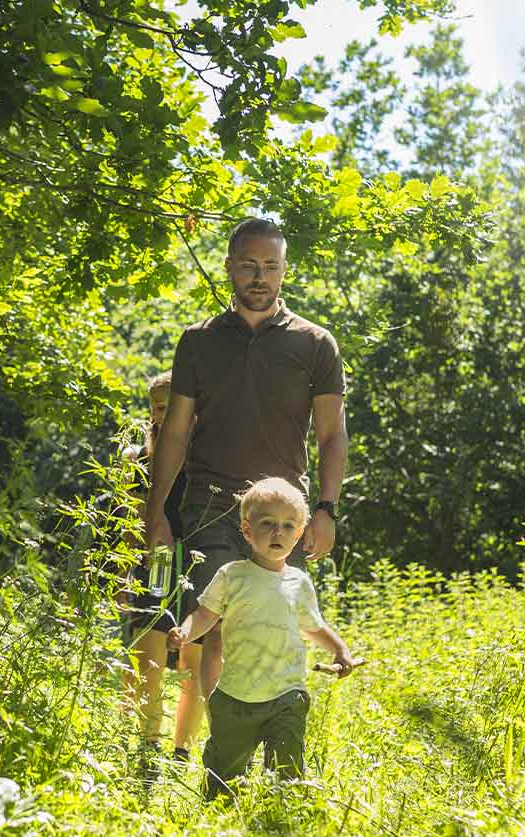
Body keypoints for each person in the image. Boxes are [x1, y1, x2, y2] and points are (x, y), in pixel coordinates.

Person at [145, 217, 347, 703]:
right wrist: (155, 514)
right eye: (250, 265)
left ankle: (269, 741)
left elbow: (332, 434)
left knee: (275, 628)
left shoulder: (315, 344)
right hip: (210, 506)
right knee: (216, 627)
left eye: (271, 266)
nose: (260, 276)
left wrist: (325, 508)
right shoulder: (199, 341)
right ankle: (223, 747)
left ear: (283, 272)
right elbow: (173, 434)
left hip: (282, 511)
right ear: (230, 267)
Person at [167, 477, 357, 798]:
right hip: (236, 696)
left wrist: (340, 649)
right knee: (224, 779)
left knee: (287, 771)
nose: (277, 533)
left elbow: (313, 626)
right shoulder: (231, 575)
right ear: (246, 530)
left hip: (286, 694)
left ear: (299, 534)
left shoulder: (299, 583)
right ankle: (218, 814)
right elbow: (205, 615)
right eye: (267, 523)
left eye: (287, 526)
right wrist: (185, 632)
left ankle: (279, 816)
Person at [120, 374, 206, 771]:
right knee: (149, 649)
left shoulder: (209, 456)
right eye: (157, 405)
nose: (165, 413)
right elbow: (130, 522)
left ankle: (182, 751)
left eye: (173, 405)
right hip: (157, 558)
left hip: (201, 558)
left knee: (196, 655)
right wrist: (124, 575)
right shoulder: (137, 457)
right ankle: (146, 745)